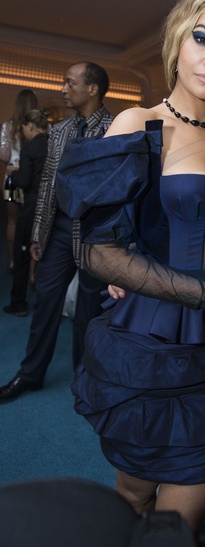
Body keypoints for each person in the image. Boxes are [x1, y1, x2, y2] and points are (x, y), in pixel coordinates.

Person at [54, 0, 205, 538]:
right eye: (202, 38)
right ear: (178, 38)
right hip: (150, 345)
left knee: (185, 516)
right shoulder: (139, 123)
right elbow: (96, 251)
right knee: (134, 495)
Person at [0, 62, 114, 400]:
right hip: (60, 230)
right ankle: (30, 374)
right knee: (45, 304)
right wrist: (39, 234)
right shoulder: (60, 130)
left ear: (92, 88)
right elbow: (47, 186)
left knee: (89, 313)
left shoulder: (116, 128)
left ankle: (85, 379)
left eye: (69, 83)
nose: (63, 89)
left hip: (96, 234)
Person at [3, 108, 50, 317]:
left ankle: (18, 304)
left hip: (32, 206)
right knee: (46, 255)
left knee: (21, 256)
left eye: (23, 129)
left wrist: (12, 172)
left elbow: (24, 181)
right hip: (51, 206)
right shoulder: (54, 145)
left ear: (30, 126)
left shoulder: (29, 148)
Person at [0, 89, 38, 272]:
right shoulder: (42, 127)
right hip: (33, 179)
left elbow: (4, 156)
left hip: (12, 179)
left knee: (12, 222)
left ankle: (12, 261)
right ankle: (31, 269)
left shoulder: (8, 126)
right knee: (33, 224)